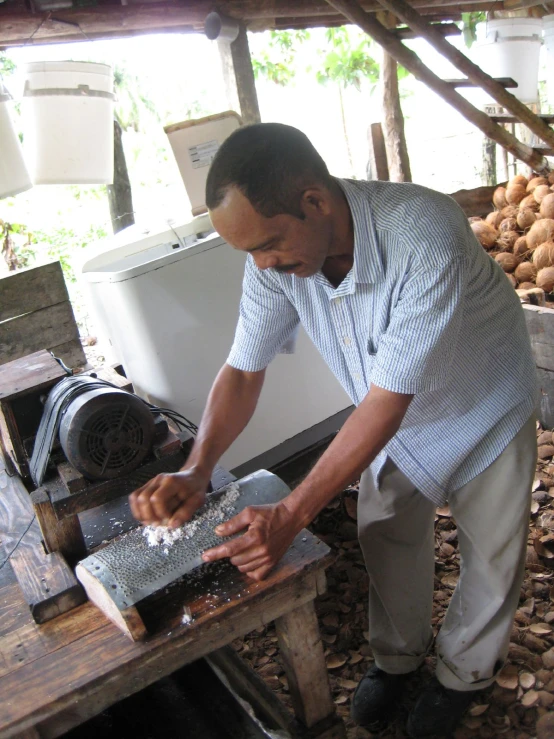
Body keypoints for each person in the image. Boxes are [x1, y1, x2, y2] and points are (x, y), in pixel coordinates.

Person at [129, 123, 538, 737]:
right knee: (383, 529)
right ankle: (398, 660)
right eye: (251, 254)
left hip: (482, 402)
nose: (264, 265)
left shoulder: (423, 232)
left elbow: (385, 401)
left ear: (315, 202)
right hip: (393, 416)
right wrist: (198, 466)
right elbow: (243, 368)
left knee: (492, 552)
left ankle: (463, 675)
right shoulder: (275, 260)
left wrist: (291, 513)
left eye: (268, 244)